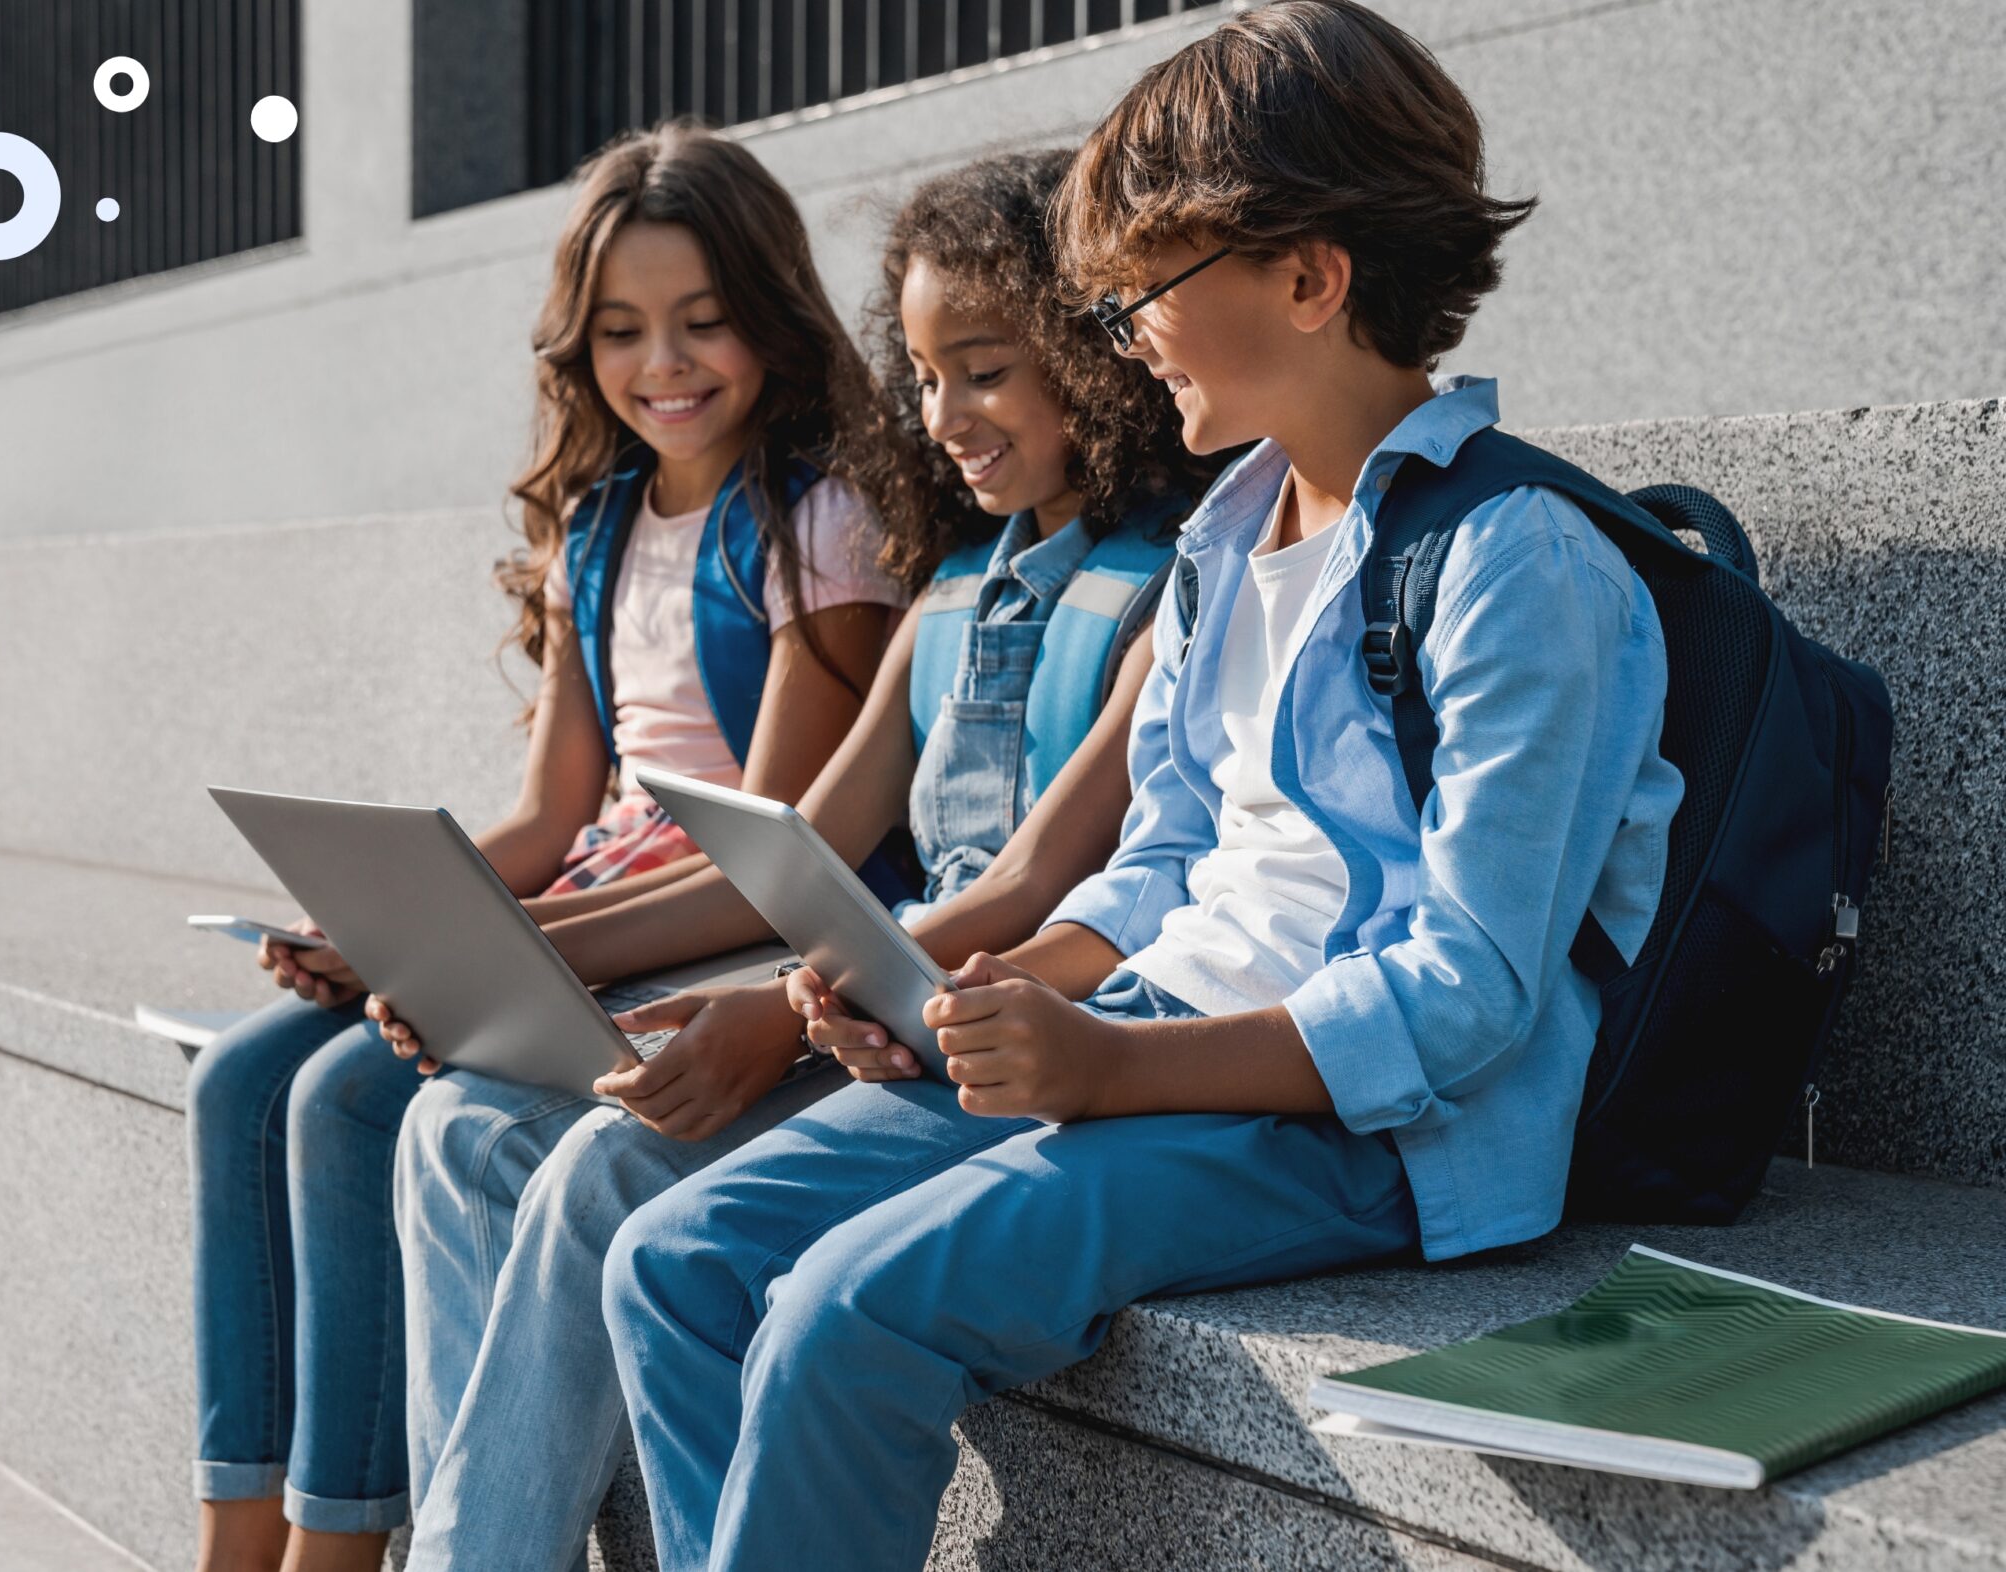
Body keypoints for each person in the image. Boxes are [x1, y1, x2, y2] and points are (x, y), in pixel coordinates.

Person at [602, 6, 1688, 1569]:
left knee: (850, 1312)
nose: (1125, 343)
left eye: (1141, 299)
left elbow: (1468, 995)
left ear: (1311, 277)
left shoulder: (1516, 563)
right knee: (679, 1257)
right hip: (1151, 1037)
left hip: (1362, 1125)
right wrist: (949, 998)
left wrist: (1112, 1076)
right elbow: (1157, 871)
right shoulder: (1223, 543)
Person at [375, 149, 1217, 1572]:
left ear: (1095, 354)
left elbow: (1038, 894)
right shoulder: (949, 593)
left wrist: (776, 1017)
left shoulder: (1166, 593)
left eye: (988, 370)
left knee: (610, 1183)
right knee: (467, 1131)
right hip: (873, 1015)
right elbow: (806, 850)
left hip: (1006, 1039)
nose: (944, 416)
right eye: (928, 375)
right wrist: (527, 964)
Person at [185, 121, 908, 1572]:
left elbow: (762, 866)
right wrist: (382, 919)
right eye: (626, 331)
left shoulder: (810, 524)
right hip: (596, 911)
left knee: (346, 1103)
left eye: (706, 323)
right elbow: (547, 815)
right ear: (580, 348)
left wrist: (500, 952)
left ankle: (347, 1543)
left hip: (714, 941)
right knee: (242, 1074)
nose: (668, 365)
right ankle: (239, 1530)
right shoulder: (596, 526)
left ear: (772, 313)